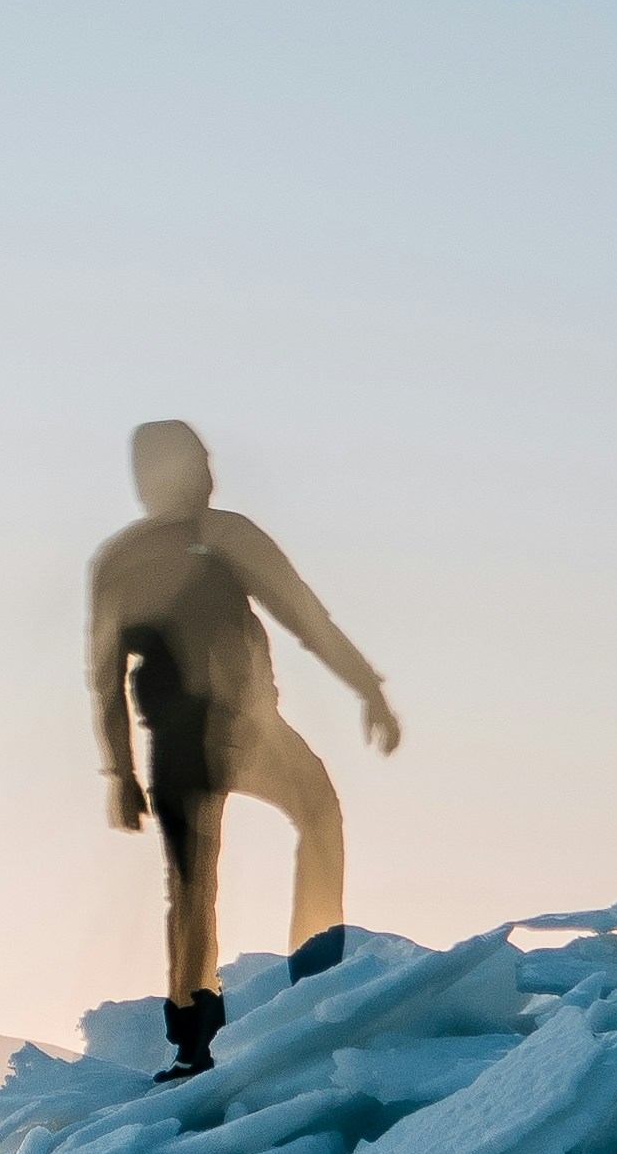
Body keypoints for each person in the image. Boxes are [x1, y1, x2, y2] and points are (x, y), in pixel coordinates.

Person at [82, 420, 399, 1073]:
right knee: (315, 816)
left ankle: (195, 1044)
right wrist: (368, 686)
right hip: (237, 730)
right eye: (199, 461)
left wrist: (120, 772)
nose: (209, 471)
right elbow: (306, 616)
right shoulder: (222, 534)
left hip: (176, 743)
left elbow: (104, 678)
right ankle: (314, 985)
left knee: (191, 888)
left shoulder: (116, 556)